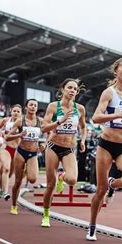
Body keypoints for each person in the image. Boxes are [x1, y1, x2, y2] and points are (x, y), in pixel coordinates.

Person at [86, 57, 122, 241]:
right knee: (100, 191)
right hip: (107, 144)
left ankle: (113, 183)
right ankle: (92, 226)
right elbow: (95, 117)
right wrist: (116, 114)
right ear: (116, 71)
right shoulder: (109, 93)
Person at [40, 78, 87, 227]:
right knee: (50, 185)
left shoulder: (80, 109)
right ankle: (46, 214)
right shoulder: (53, 107)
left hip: (69, 149)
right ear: (63, 89)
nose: (73, 90)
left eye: (75, 89)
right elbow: (43, 128)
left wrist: (83, 140)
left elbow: (83, 127)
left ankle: (62, 176)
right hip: (53, 146)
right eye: (70, 88)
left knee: (72, 180)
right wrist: (59, 122)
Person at [6, 99, 45, 215]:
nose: (33, 107)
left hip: (33, 153)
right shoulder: (20, 121)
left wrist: (43, 144)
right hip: (21, 152)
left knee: (32, 179)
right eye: (31, 105)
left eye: (35, 105)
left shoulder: (40, 122)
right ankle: (13, 205)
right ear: (26, 108)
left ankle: (26, 170)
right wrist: (19, 135)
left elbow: (48, 135)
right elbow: (7, 137)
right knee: (17, 182)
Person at [0, 104, 23, 201]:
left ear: (21, 113)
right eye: (14, 111)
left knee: (10, 173)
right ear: (11, 111)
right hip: (6, 148)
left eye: (18, 111)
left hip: (17, 150)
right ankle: (5, 192)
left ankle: (1, 186)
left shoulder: (22, 123)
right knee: (6, 169)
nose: (16, 113)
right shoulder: (5, 120)